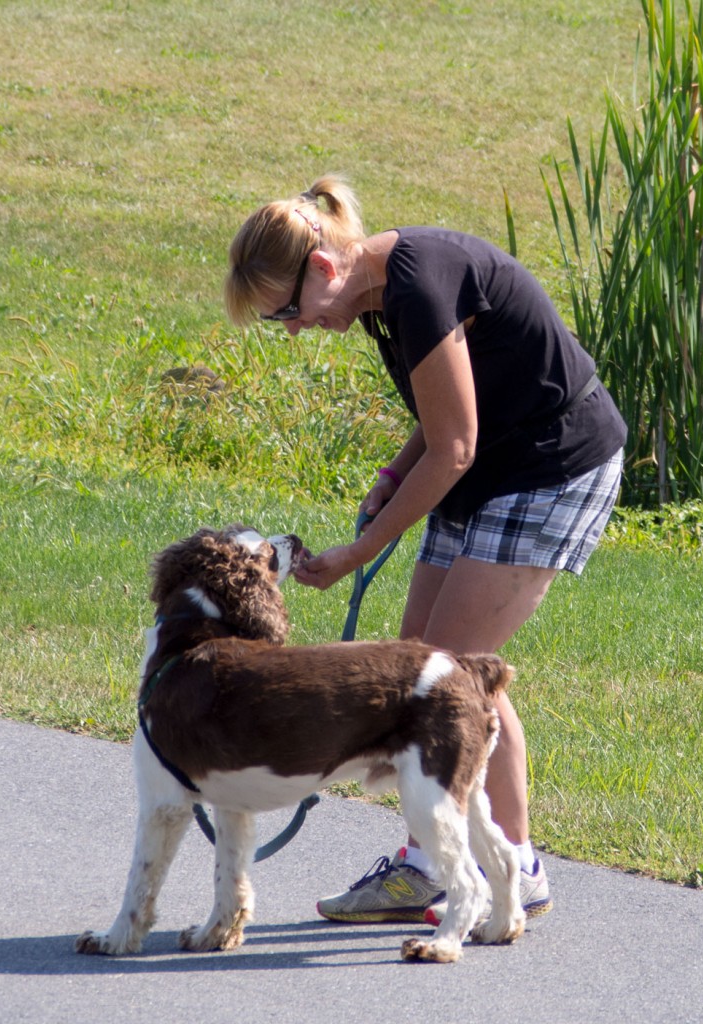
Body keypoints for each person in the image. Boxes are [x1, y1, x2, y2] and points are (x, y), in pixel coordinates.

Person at [224, 174, 626, 925]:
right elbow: (450, 404)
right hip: (491, 462)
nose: (292, 328)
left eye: (286, 311)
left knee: (441, 678)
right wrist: (393, 474)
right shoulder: (377, 294)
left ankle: (502, 869)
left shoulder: (415, 288)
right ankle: (441, 863)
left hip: (551, 465)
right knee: (436, 669)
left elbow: (457, 445)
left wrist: (359, 549)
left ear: (321, 270)